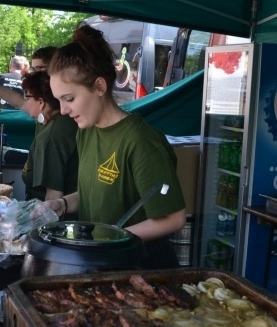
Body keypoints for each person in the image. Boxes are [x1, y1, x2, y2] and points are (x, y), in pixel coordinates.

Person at [43, 24, 186, 270]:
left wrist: (111, 240)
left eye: (69, 99)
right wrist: (63, 203)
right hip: (102, 264)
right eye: (59, 100)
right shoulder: (86, 132)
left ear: (99, 87)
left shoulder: (140, 141)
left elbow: (174, 218)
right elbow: (97, 192)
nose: (64, 110)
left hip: (143, 268)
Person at [20, 70, 78, 202]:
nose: (25, 102)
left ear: (41, 102)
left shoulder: (49, 138)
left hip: (55, 215)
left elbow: (53, 197)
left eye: (27, 97)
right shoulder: (67, 121)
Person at [0, 46, 57, 112]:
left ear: (55, 68)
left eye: (39, 68)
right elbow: (22, 103)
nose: (33, 74)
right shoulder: (48, 100)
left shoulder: (61, 106)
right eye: (33, 69)